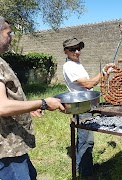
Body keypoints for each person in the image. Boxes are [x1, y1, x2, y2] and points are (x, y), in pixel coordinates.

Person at [0, 16, 65, 180]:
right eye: (8, 33)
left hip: (14, 146)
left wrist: (29, 106)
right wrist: (43, 102)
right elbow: (2, 106)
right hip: (7, 150)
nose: (11, 37)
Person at [62, 37, 101, 177]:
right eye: (73, 49)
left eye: (79, 48)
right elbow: (88, 84)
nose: (77, 52)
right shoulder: (69, 66)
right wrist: (102, 74)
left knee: (85, 139)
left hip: (86, 105)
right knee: (86, 140)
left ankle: (85, 168)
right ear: (66, 51)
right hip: (80, 107)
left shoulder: (76, 64)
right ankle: (85, 174)